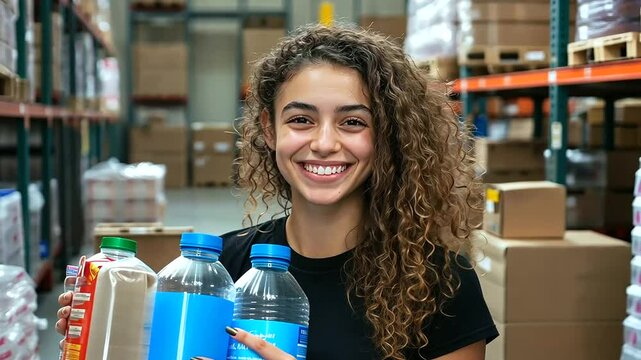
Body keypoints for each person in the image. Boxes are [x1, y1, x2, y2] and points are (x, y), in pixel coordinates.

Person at [57, 23, 498, 359]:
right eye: (301, 120)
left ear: (387, 136)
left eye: (353, 122)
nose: (324, 142)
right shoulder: (219, 270)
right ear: (269, 130)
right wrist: (110, 331)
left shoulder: (439, 282)